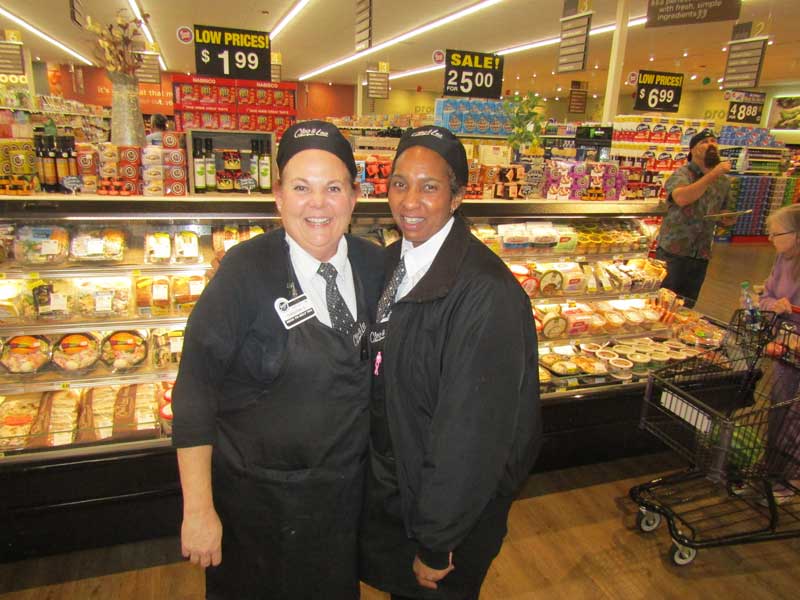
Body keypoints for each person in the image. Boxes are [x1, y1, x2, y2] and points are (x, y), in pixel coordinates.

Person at [172, 120, 383, 600]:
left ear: (354, 197)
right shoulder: (243, 271)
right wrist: (198, 509)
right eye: (301, 187)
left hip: (344, 499)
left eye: (333, 188)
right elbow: (195, 391)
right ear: (279, 197)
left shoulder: (376, 266)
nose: (318, 204)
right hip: (257, 506)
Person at [360, 125, 541, 600]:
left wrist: (437, 541)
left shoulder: (486, 294)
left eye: (430, 187)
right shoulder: (396, 261)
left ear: (457, 197)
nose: (410, 201)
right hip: (408, 488)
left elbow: (471, 433)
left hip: (453, 518)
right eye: (400, 184)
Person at [656, 129, 738, 308]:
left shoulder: (723, 181)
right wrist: (712, 175)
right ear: (692, 149)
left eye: (714, 141)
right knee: (662, 302)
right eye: (704, 142)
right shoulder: (682, 174)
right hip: (674, 252)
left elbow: (724, 210)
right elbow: (682, 198)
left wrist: (727, 218)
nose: (711, 144)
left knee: (687, 305)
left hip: (701, 253)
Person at [760, 204, 800, 503]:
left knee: (795, 416)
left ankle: (790, 479)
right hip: (785, 345)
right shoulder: (782, 260)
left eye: (777, 234)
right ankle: (773, 469)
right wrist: (774, 305)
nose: (770, 239)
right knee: (779, 408)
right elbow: (765, 296)